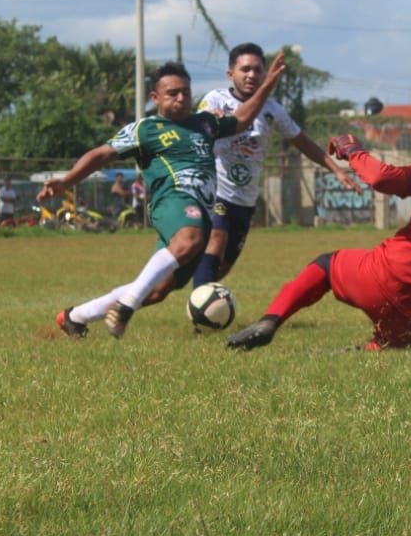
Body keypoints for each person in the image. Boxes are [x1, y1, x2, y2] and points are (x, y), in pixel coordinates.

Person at [226, 116, 411, 351]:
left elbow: (382, 178)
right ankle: (363, 352)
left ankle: (270, 320)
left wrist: (352, 150)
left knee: (327, 265)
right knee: (390, 347)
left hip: (383, 280)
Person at [41, 54, 286, 339]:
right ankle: (126, 307)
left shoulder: (205, 123)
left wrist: (267, 84)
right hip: (173, 201)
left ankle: (74, 317)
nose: (181, 98)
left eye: (185, 92)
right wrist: (68, 181)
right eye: (173, 93)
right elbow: (101, 154)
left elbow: (242, 120)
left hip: (201, 213)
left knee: (158, 289)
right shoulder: (145, 129)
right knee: (189, 240)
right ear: (156, 97)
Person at [191, 42, 362, 289]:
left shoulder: (273, 110)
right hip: (214, 190)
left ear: (265, 74)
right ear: (231, 74)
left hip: (245, 199)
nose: (251, 75)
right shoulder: (215, 100)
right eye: (245, 69)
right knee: (216, 238)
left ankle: (204, 297)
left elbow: (302, 141)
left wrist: (336, 169)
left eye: (257, 70)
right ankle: (200, 314)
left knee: (223, 266)